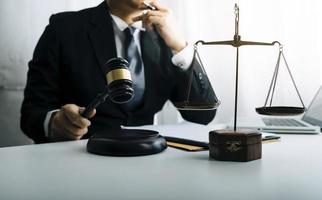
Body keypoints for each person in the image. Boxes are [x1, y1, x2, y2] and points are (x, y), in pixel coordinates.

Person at [21, 0, 218, 143]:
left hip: (148, 160)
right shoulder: (64, 28)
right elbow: (32, 114)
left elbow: (203, 115)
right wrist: (55, 123)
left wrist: (180, 47)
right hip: (80, 160)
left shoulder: (165, 37)